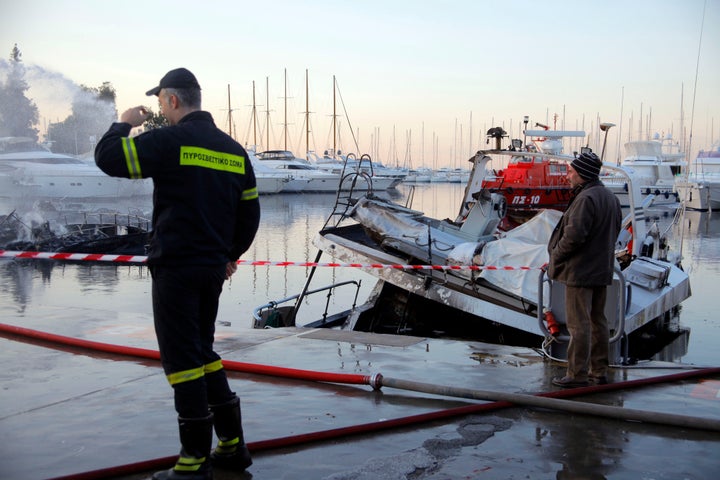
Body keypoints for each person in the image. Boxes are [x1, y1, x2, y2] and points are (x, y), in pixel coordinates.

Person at [95, 68, 260, 479]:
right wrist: (228, 255)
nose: (159, 111)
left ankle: (192, 462)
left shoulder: (171, 141)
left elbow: (109, 157)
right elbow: (250, 215)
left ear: (171, 101)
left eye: (159, 104)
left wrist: (124, 124)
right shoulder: (234, 151)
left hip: (176, 269)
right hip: (210, 270)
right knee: (203, 353)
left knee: (182, 360)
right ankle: (232, 446)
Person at [547, 151, 621, 388]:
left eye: (571, 171)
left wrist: (555, 256)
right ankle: (599, 371)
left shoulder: (585, 199)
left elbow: (574, 236)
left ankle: (576, 374)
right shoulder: (610, 198)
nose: (567, 176)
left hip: (580, 272)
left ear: (582, 174)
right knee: (598, 320)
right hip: (601, 269)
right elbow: (615, 230)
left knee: (578, 324)